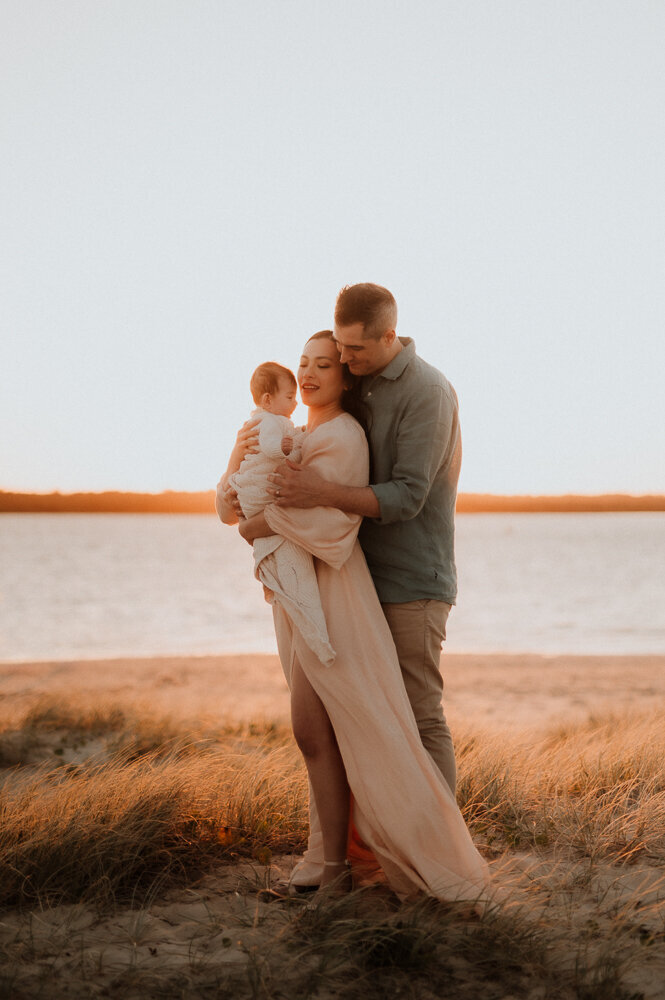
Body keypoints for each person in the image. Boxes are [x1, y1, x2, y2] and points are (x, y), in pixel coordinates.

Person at [217, 331, 488, 903]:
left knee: (337, 730)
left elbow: (332, 527)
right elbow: (236, 500)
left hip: (334, 596)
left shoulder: (343, 435)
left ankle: (382, 859)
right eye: (303, 364)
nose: (311, 374)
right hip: (299, 599)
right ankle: (329, 863)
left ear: (346, 376)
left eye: (325, 365)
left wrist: (255, 527)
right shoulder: (297, 433)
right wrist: (237, 463)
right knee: (320, 735)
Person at [268, 284, 461, 802]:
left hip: (412, 581)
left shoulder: (427, 392)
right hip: (354, 579)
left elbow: (408, 497)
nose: (344, 359)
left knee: (419, 716)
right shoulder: (360, 382)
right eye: (340, 347)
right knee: (365, 720)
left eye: (354, 349)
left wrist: (320, 490)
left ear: (390, 335)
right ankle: (382, 848)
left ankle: (448, 852)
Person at [218, 361, 335, 666]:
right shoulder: (263, 428)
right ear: (268, 399)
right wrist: (235, 461)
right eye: (289, 396)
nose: (295, 402)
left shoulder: (276, 425)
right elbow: (226, 514)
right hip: (262, 508)